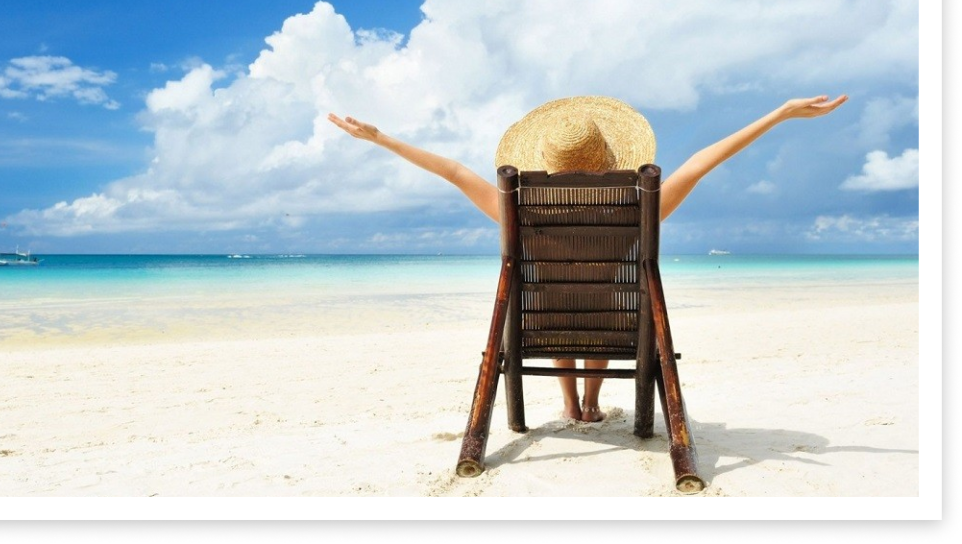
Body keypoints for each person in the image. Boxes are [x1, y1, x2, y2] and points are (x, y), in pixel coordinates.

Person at [329, 93, 848, 422]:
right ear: (608, 159)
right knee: (602, 300)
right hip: (614, 328)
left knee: (558, 300)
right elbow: (698, 165)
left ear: (546, 164)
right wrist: (777, 115)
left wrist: (381, 140)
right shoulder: (635, 206)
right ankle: (594, 403)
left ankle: (571, 406)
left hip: (541, 327)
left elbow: (454, 172)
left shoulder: (519, 208)